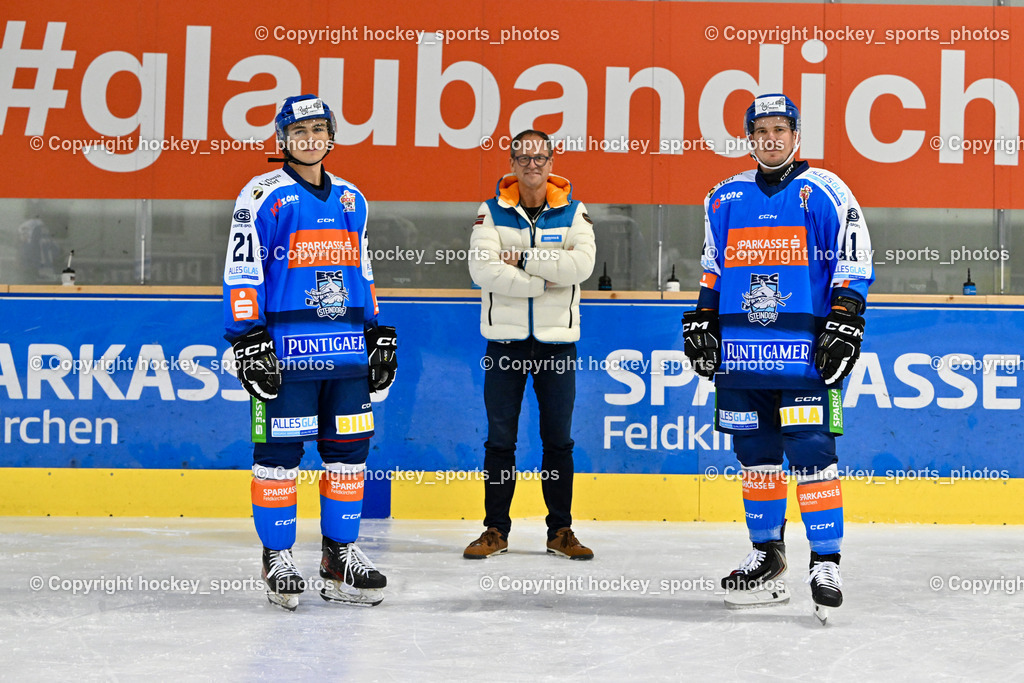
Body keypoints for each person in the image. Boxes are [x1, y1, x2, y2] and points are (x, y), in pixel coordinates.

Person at [682, 94, 873, 623]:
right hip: (742, 354)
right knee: (755, 453)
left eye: (779, 129)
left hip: (804, 354)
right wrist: (702, 317)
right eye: (760, 131)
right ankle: (767, 554)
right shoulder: (723, 197)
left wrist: (846, 318)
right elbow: (713, 266)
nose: (770, 139)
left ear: (795, 135)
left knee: (812, 450)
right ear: (749, 138)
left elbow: (853, 261)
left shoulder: (827, 191)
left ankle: (825, 562)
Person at [223, 94, 397, 610]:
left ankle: (338, 555)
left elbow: (362, 270)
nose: (310, 139)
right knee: (278, 457)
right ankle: (277, 556)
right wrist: (247, 336)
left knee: (348, 455)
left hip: (344, 350)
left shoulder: (352, 198)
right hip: (285, 352)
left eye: (319, 130)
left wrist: (375, 331)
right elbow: (242, 268)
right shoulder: (262, 194)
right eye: (299, 132)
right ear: (282, 139)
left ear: (331, 136)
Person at [465, 130, 597, 560]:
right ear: (512, 161)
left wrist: (521, 258)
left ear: (552, 161)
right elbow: (482, 270)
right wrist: (545, 281)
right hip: (504, 345)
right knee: (500, 441)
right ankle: (495, 531)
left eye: (540, 157)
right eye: (524, 157)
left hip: (557, 346)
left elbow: (582, 265)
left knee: (558, 441)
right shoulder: (490, 212)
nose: (532, 165)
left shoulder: (576, 212)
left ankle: (560, 530)